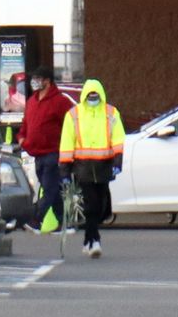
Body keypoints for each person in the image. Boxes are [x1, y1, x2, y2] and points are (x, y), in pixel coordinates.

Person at [58, 78, 126, 258]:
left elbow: (118, 139)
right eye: (90, 95)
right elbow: (67, 142)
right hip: (83, 167)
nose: (93, 98)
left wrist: (118, 162)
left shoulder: (111, 113)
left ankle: (88, 239)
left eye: (95, 95)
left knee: (102, 206)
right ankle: (95, 240)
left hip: (104, 166)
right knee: (91, 205)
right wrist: (64, 170)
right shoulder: (74, 115)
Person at [20, 67, 75, 232]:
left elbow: (70, 126)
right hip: (37, 153)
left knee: (49, 188)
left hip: (54, 153)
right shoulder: (32, 101)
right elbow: (26, 124)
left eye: (38, 78)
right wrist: (22, 138)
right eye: (33, 78)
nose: (34, 81)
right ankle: (64, 223)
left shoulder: (60, 102)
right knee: (54, 189)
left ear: (47, 81)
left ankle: (36, 219)